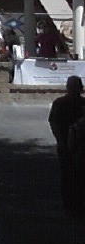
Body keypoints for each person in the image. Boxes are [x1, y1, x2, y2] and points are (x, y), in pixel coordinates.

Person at [49, 75, 85, 218]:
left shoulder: (62, 103)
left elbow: (53, 122)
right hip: (71, 143)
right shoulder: (60, 103)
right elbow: (54, 122)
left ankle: (74, 205)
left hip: (77, 143)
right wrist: (60, 141)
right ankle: (72, 205)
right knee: (70, 175)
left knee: (74, 175)